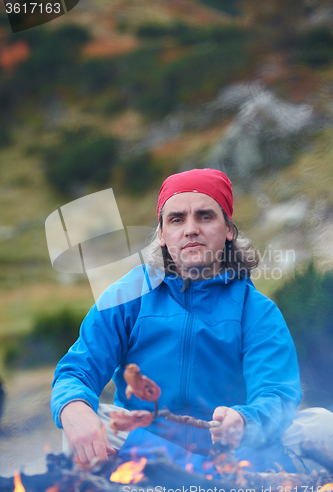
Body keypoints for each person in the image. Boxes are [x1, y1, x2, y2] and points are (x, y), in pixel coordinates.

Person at [51, 169, 327, 473]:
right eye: (177, 219)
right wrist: (73, 407)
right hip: (143, 448)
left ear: (228, 230)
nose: (191, 229)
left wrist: (246, 420)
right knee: (83, 421)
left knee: (323, 424)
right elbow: (77, 369)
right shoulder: (127, 295)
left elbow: (277, 393)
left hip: (230, 454)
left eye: (205, 217)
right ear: (162, 235)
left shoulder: (257, 311)